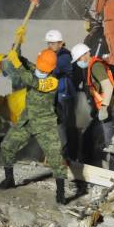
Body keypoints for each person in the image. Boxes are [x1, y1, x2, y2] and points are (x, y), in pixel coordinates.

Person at [0, 48, 69, 204]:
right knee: (7, 146)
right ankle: (9, 179)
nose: (40, 69)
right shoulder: (37, 69)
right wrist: (17, 53)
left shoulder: (52, 81)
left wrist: (16, 63)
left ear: (50, 68)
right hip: (27, 121)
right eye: (40, 66)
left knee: (56, 158)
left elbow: (32, 82)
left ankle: (61, 193)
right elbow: (27, 65)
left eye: (43, 68)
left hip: (45, 124)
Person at [70, 43, 114, 171]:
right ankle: (87, 163)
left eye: (79, 59)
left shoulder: (96, 66)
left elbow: (108, 87)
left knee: (110, 141)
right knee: (90, 135)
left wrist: (103, 108)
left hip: (109, 108)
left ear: (85, 55)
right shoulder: (90, 66)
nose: (79, 62)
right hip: (102, 108)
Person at [45, 30, 78, 161]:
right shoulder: (55, 54)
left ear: (60, 43)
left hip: (65, 95)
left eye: (53, 43)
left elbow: (52, 70)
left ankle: (69, 155)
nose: (50, 46)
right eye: (49, 43)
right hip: (57, 93)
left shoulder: (64, 57)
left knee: (65, 124)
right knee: (58, 123)